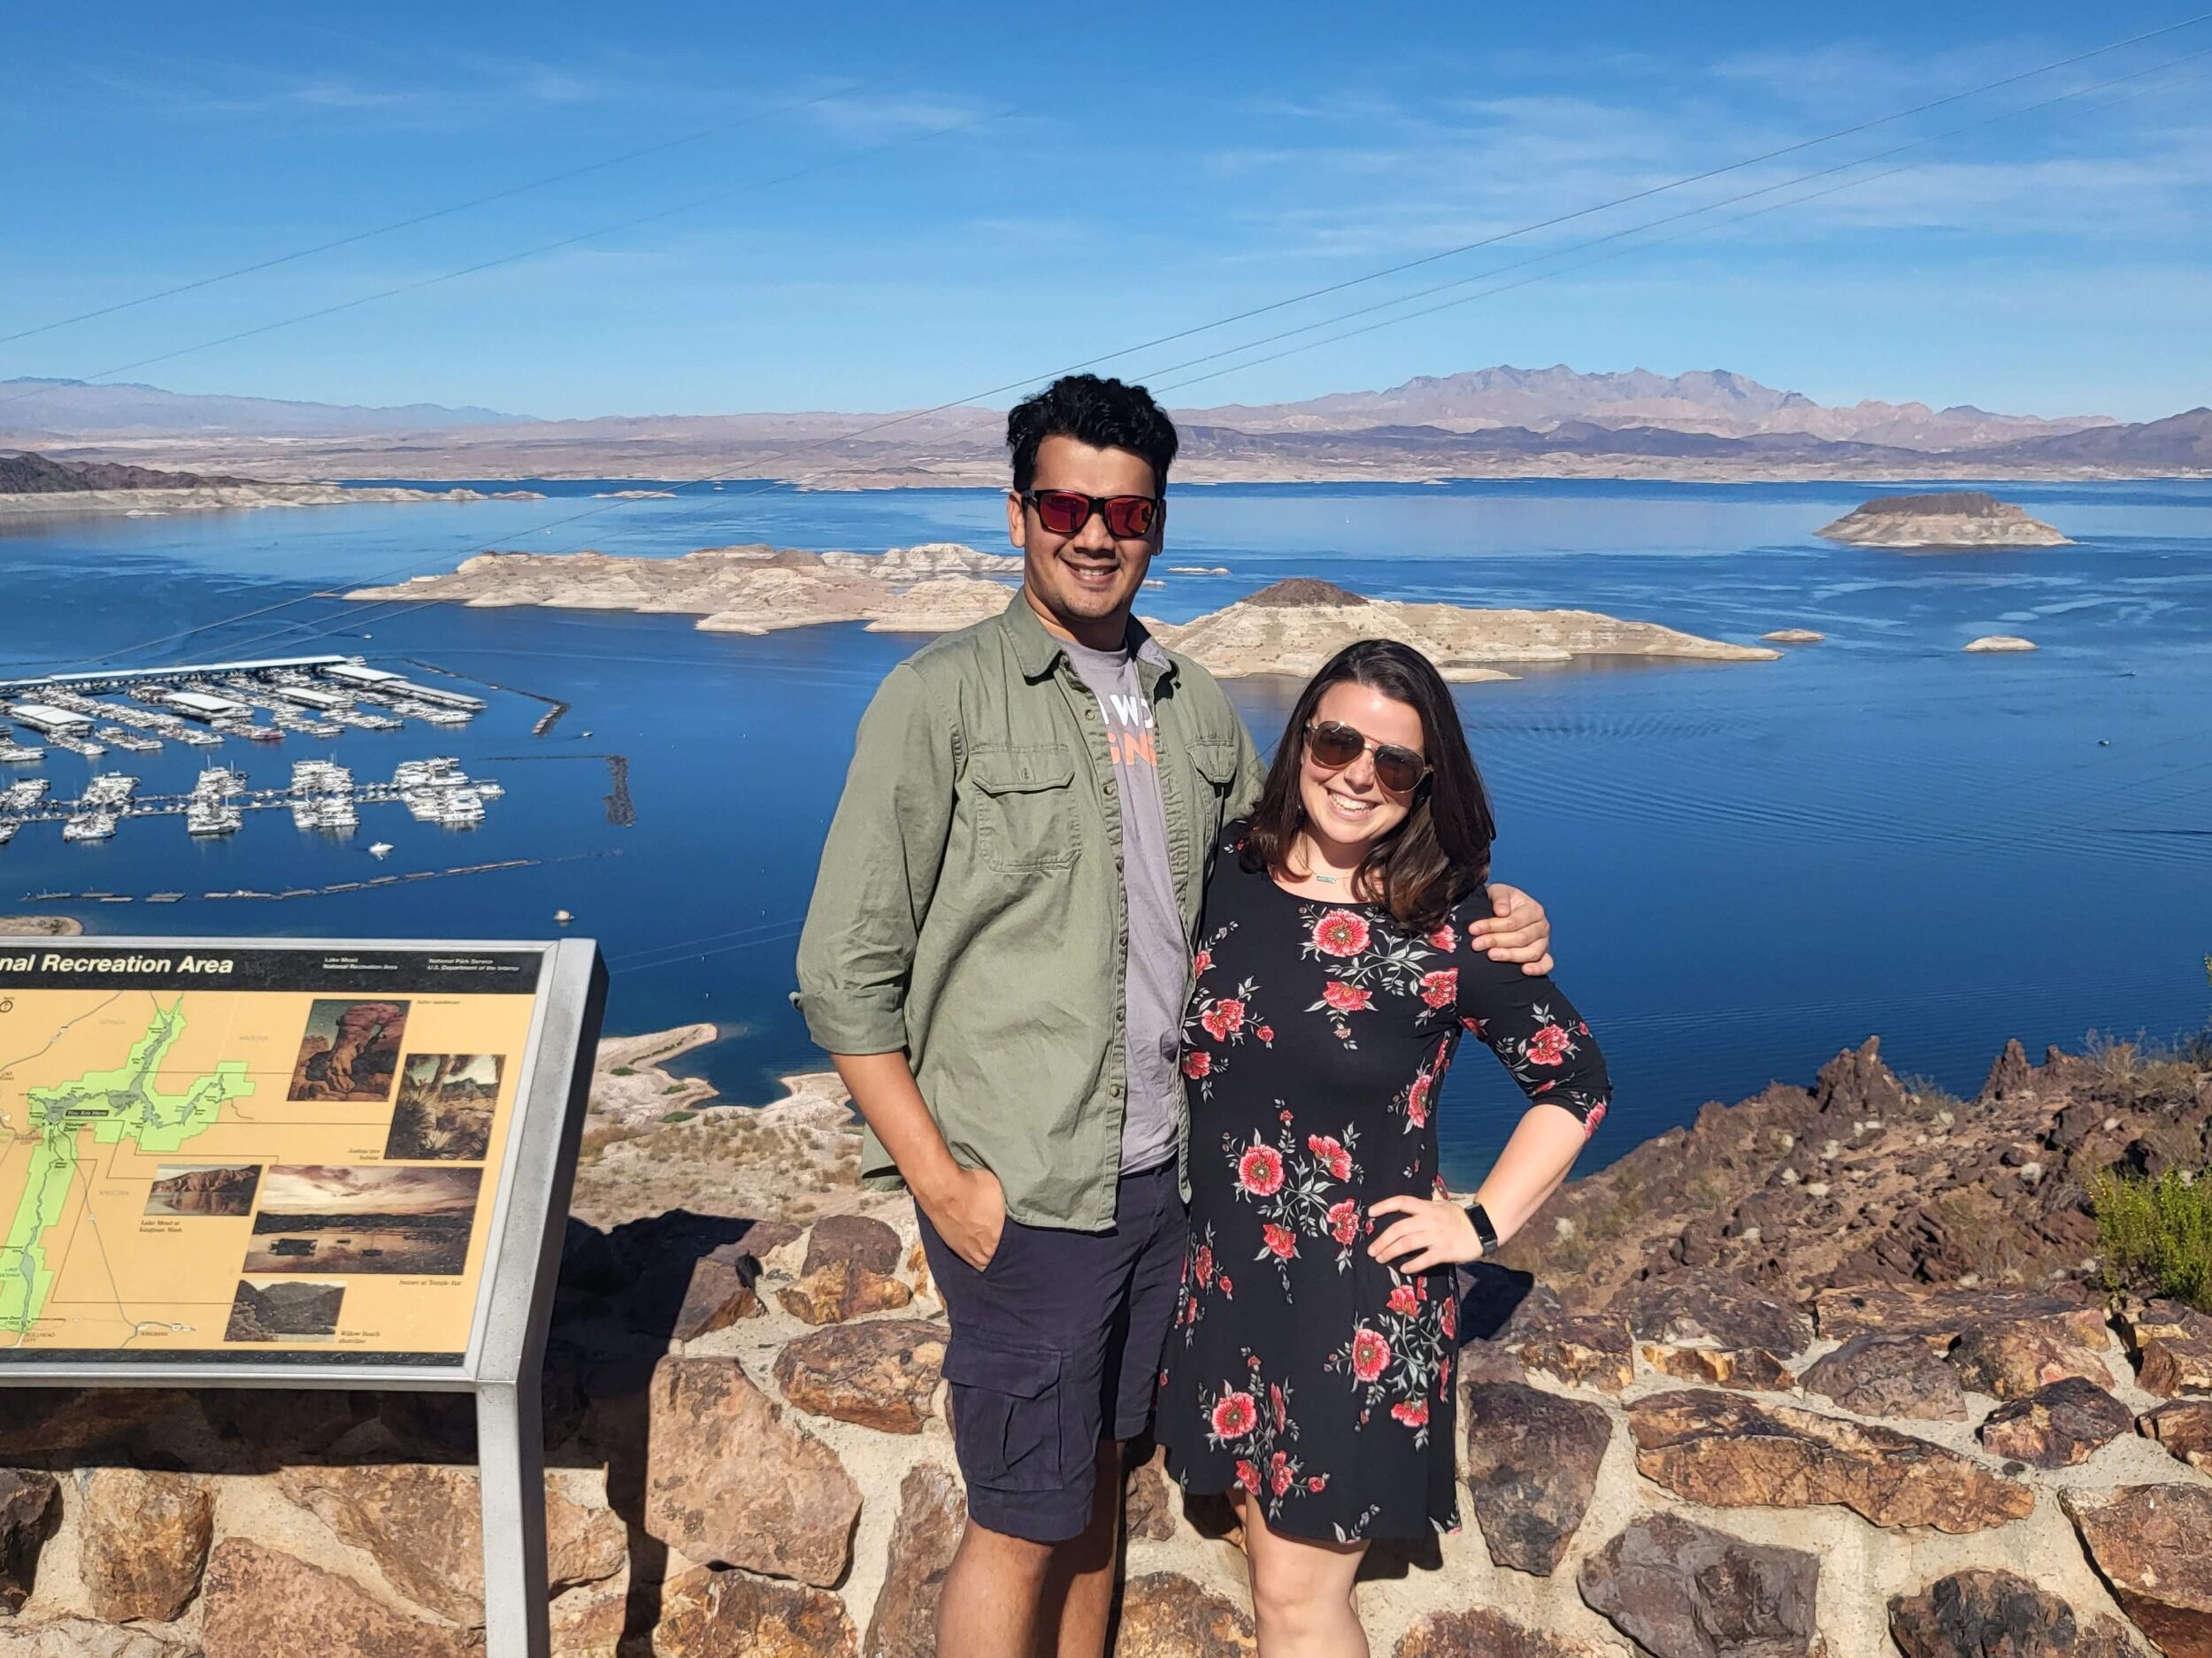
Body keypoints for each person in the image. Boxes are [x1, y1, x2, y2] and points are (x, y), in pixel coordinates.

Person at [794, 374, 1556, 1658]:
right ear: (1018, 512)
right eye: (1065, 502)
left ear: (1158, 521)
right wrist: (943, 1181)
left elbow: (1303, 884)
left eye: (1126, 510)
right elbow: (842, 974)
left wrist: (1489, 911)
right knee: (1018, 1514)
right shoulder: (940, 700)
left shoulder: (1196, 704)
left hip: (1171, 1192)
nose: (1095, 532)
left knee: (1096, 1488)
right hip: (1024, 1188)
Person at [1156, 638, 1611, 1658]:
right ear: (1302, 739)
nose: (1358, 772)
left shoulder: (1448, 927)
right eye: (1337, 740)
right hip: (1227, 1284)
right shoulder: (1231, 869)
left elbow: (1573, 1081)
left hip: (1359, 1303)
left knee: (1294, 1592)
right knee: (1257, 1551)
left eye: (1393, 762)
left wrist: (1478, 1219)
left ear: (1422, 785)